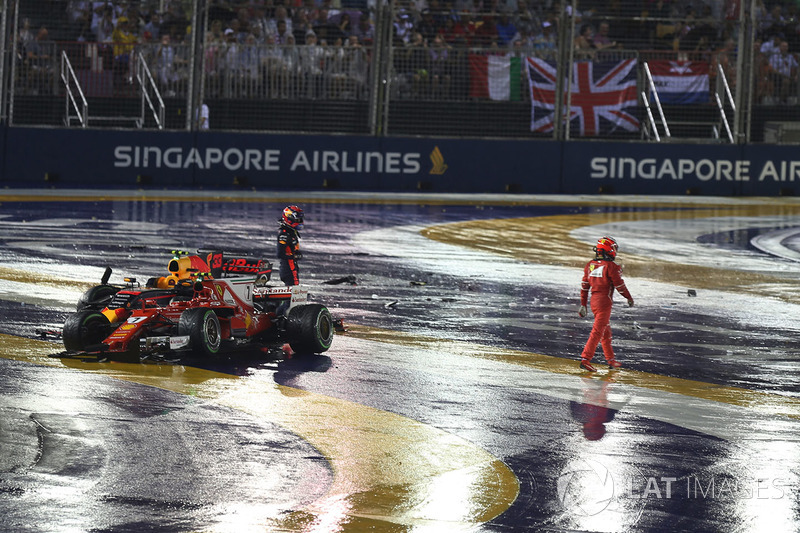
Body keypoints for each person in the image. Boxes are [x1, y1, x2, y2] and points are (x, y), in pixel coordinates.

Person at [578, 236, 634, 372]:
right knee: (597, 332)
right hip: (604, 303)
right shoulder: (611, 266)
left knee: (605, 332)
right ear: (610, 251)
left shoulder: (589, 265)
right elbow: (620, 286)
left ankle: (611, 360)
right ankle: (585, 359)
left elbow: (584, 287)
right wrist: (629, 297)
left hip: (594, 302)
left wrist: (583, 304)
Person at [277, 205, 304, 286]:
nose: (299, 221)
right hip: (288, 269)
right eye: (297, 219)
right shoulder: (284, 234)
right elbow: (280, 253)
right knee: (293, 291)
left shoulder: (291, 232)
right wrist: (294, 256)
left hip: (292, 267)